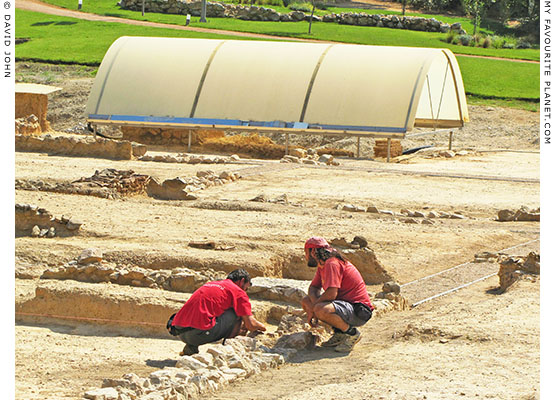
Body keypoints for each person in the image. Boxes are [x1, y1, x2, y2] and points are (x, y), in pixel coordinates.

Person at [301, 236, 374, 353]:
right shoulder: (323, 264)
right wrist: (312, 307)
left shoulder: (332, 264)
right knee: (306, 301)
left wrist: (315, 308)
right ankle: (340, 333)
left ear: (313, 252)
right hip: (344, 306)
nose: (305, 256)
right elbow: (314, 288)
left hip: (358, 310)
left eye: (306, 252)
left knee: (321, 309)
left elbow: (331, 294)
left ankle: (352, 334)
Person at [169, 268, 266, 355]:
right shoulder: (238, 292)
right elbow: (251, 325)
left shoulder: (211, 284)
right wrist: (264, 328)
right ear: (242, 281)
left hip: (179, 332)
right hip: (197, 334)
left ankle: (191, 348)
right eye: (246, 288)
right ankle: (229, 350)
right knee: (237, 313)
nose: (245, 291)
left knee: (207, 314)